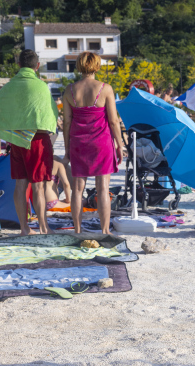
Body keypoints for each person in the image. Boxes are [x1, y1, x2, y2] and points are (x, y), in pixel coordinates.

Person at [0, 49, 58, 235]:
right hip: (37, 140)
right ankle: (44, 228)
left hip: (16, 141)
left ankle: (24, 228)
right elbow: (51, 115)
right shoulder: (40, 86)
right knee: (38, 186)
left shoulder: (9, 86)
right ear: (37, 66)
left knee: (20, 185)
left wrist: (5, 130)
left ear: (19, 65)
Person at [63, 52, 123, 234]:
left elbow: (66, 122)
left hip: (78, 143)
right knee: (103, 188)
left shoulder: (69, 90)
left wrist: (67, 148)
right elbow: (113, 121)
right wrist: (119, 144)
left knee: (78, 189)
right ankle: (105, 231)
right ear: (97, 66)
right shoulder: (105, 89)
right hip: (101, 142)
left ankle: (78, 230)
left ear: (79, 66)